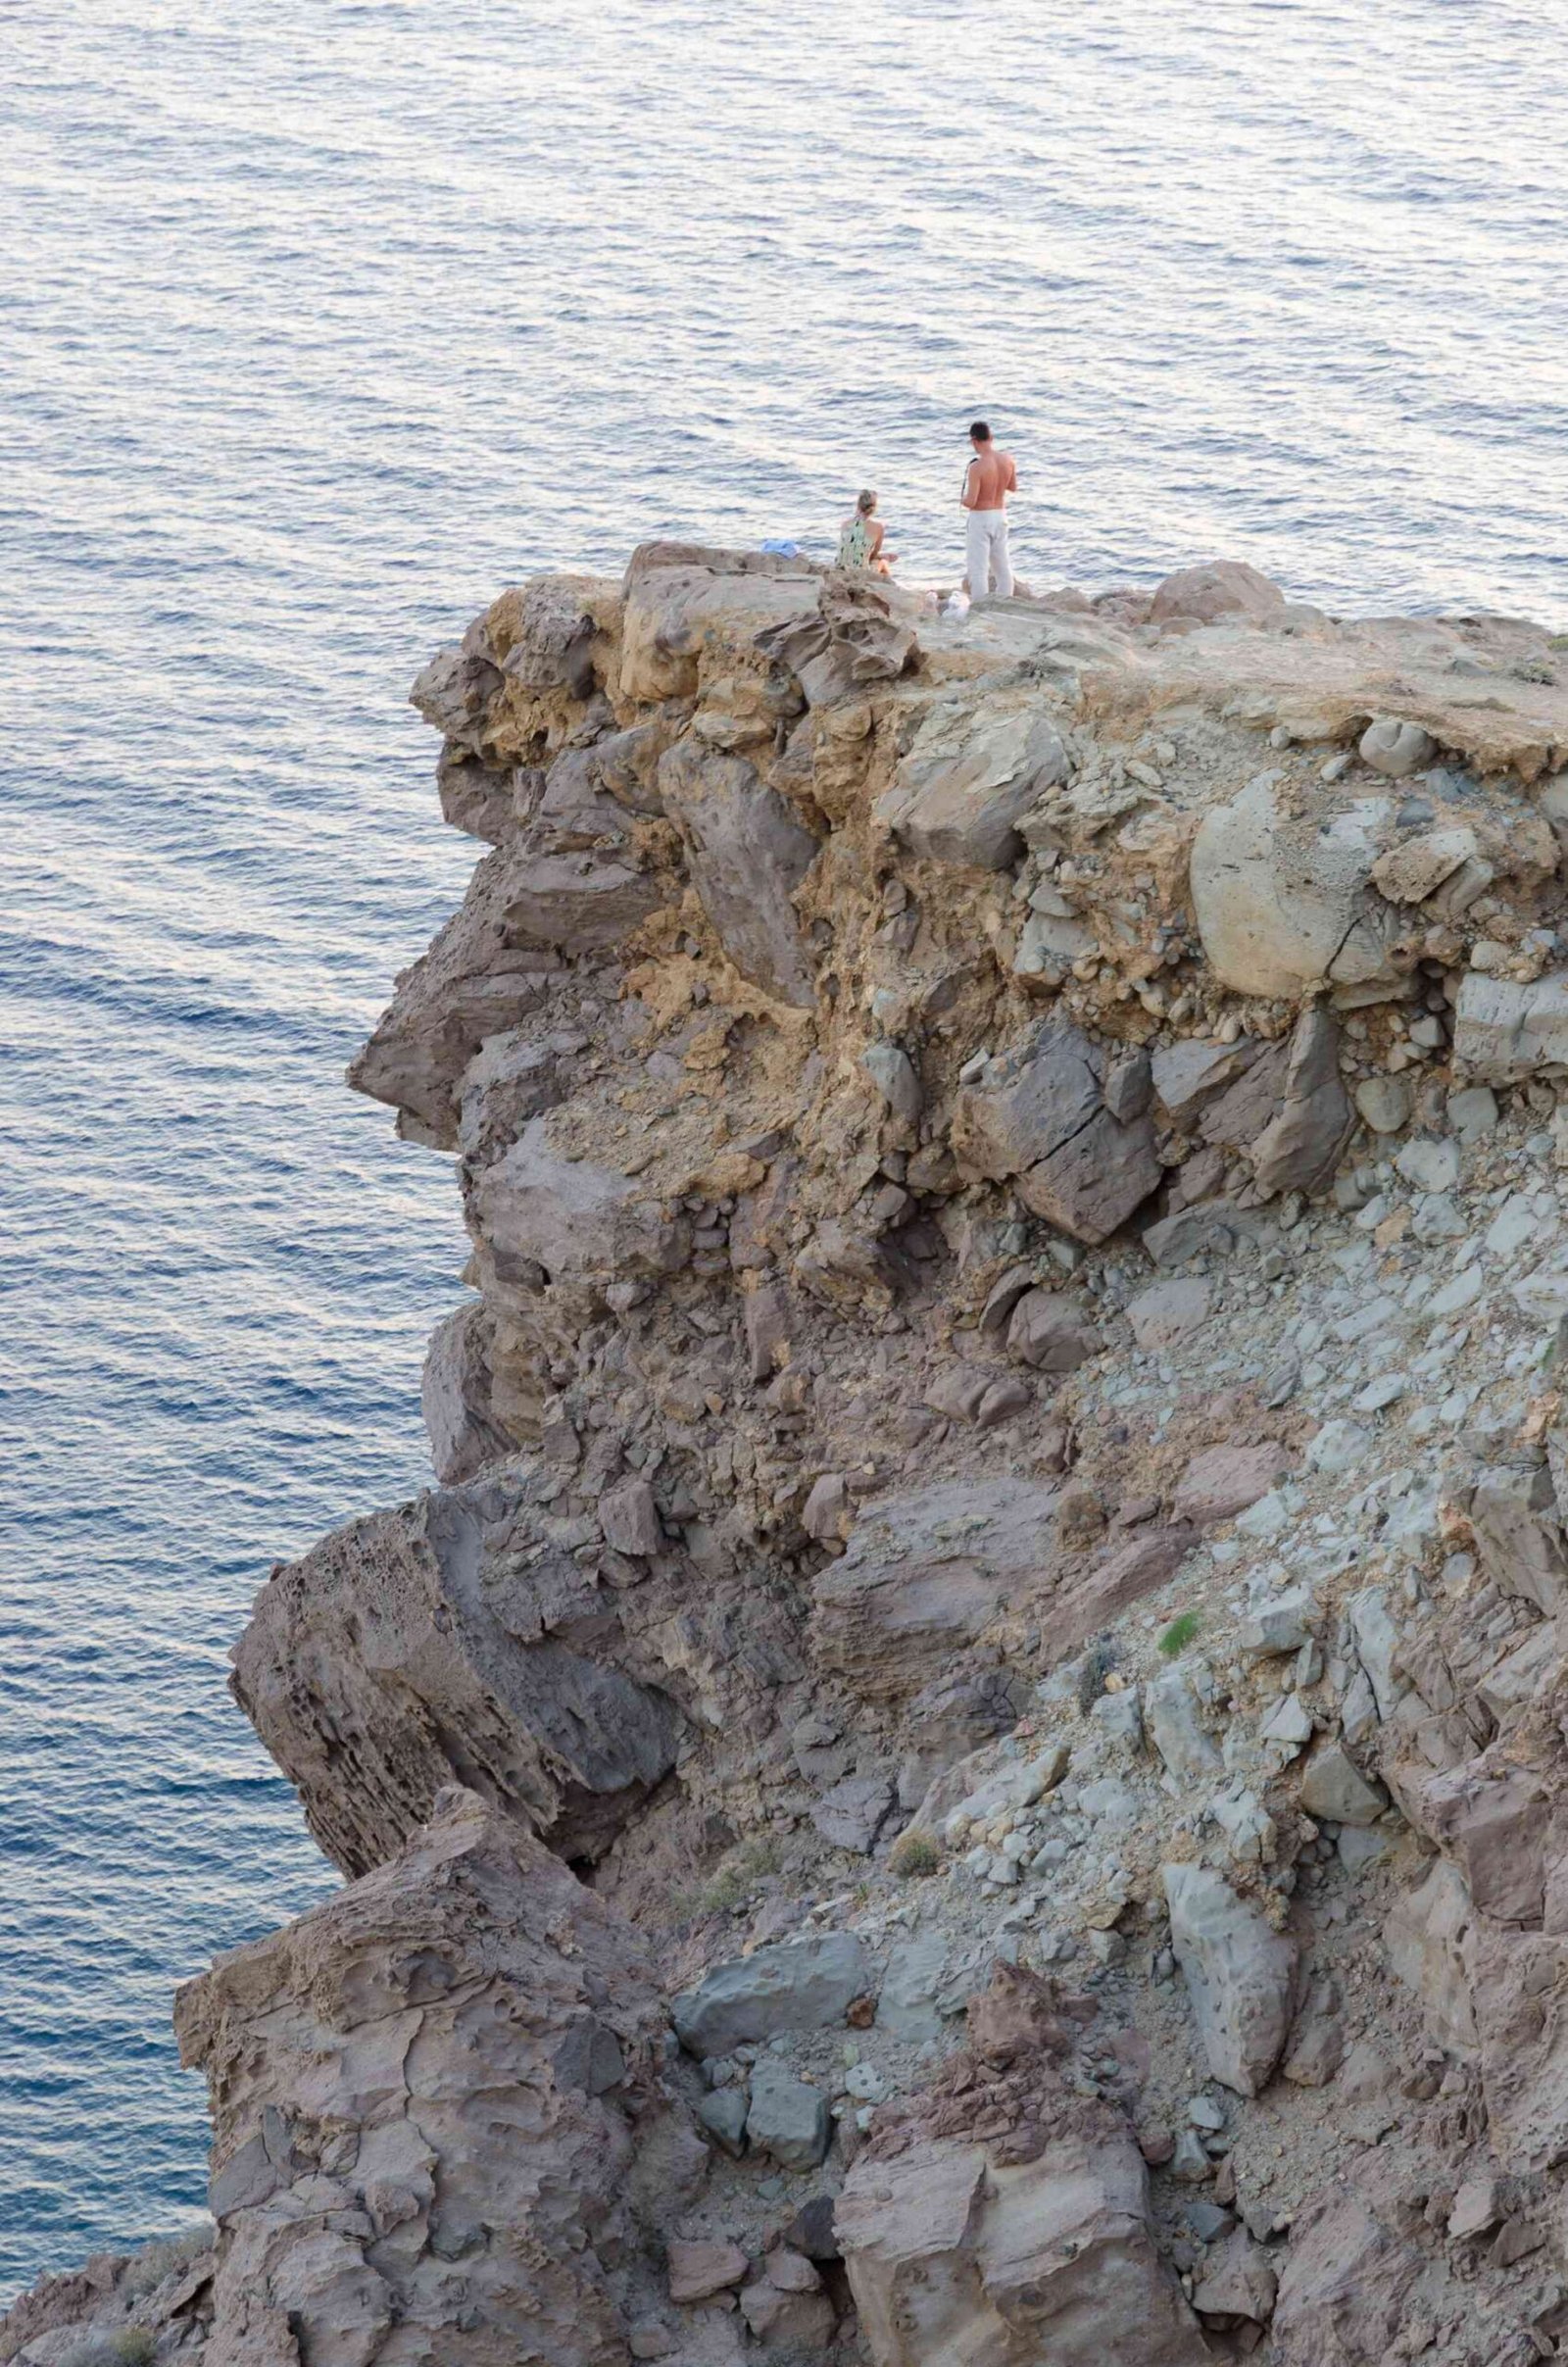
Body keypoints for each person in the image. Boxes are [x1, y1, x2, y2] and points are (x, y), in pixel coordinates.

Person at [959, 419, 1017, 599]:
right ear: (991, 437)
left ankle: (980, 608)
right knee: (1002, 566)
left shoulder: (976, 467)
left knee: (978, 568)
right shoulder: (1007, 460)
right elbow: (1013, 487)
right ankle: (1005, 602)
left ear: (974, 440)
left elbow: (971, 501)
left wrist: (961, 500)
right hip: (1000, 515)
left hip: (981, 518)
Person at [836, 488, 894, 575]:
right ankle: (891, 586)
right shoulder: (878, 527)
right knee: (883, 562)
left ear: (858, 505)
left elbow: (851, 547)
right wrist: (883, 557)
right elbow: (873, 556)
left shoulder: (845, 524)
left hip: (840, 568)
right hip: (861, 573)